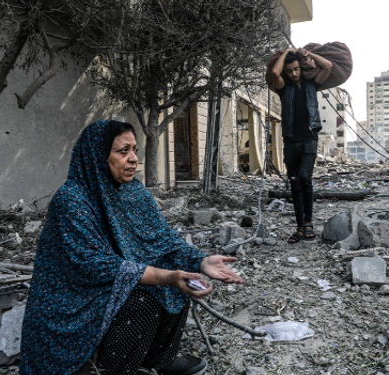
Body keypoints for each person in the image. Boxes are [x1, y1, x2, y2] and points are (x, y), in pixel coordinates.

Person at [20, 120, 244, 375]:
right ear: (98, 155)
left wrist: (200, 261)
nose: (133, 159)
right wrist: (164, 277)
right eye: (123, 151)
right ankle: (113, 369)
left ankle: (157, 361)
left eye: (135, 150)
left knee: (178, 278)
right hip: (76, 297)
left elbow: (163, 239)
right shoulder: (72, 199)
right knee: (143, 298)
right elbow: (91, 265)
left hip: (119, 278)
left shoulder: (133, 191)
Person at [269, 48, 332, 243]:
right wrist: (287, 51)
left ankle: (308, 223)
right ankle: (300, 228)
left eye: (296, 69)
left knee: (305, 177)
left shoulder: (313, 84)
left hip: (309, 139)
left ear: (301, 67)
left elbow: (327, 66)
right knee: (295, 184)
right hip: (290, 141)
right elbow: (273, 73)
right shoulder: (283, 87)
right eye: (289, 71)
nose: (294, 74)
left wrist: (307, 54)